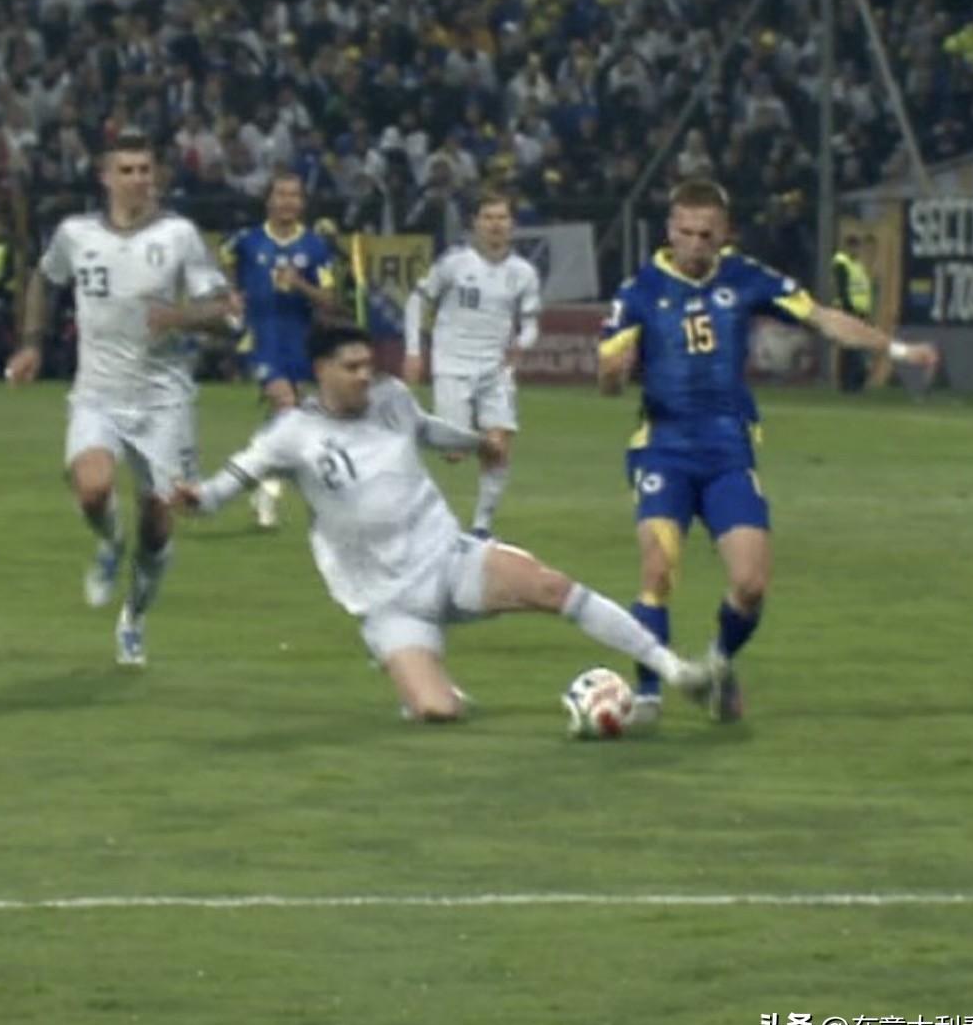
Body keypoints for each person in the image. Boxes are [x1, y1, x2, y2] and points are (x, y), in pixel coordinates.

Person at [175, 326, 708, 720]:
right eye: (351, 367)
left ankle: (676, 670)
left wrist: (478, 444)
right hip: (386, 600)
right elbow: (227, 485)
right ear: (322, 370)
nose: (364, 376)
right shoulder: (290, 435)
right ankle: (431, 686)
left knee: (552, 587)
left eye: (368, 365)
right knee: (437, 713)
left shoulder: (390, 398)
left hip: (448, 558)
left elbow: (427, 429)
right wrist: (195, 499)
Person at [598, 178, 938, 724]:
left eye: (706, 234)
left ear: (724, 234)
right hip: (663, 450)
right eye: (685, 232)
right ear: (670, 230)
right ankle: (649, 697)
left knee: (751, 584)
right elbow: (608, 380)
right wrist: (613, 375)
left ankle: (717, 665)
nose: (695, 244)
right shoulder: (638, 291)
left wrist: (896, 349)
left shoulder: (745, 277)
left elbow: (823, 318)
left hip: (728, 452)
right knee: (657, 570)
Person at [6, 132, 238, 667]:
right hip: (98, 394)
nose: (137, 179)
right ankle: (110, 544)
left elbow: (225, 313)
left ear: (156, 176)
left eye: (144, 170)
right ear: (106, 177)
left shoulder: (179, 235)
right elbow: (43, 279)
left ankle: (133, 616)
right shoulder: (76, 233)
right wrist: (32, 343)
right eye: (127, 170)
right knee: (92, 488)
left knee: (157, 523)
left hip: (164, 400)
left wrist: (179, 316)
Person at [402, 189, 542, 540]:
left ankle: (481, 529)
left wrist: (521, 344)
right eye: (488, 218)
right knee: (454, 453)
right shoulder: (454, 263)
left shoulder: (523, 273)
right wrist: (413, 351)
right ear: (475, 224)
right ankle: (407, 446)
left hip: (496, 369)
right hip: (453, 365)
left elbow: (531, 324)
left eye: (502, 218)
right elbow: (416, 302)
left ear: (512, 224)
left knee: (499, 445)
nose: (496, 225)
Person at [221, 172, 336, 528]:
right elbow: (224, 259)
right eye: (281, 194)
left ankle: (262, 479)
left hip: (298, 339)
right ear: (269, 200)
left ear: (302, 203)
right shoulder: (248, 241)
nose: (287, 201)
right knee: (285, 404)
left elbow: (329, 300)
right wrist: (231, 294)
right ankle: (268, 490)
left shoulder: (315, 247)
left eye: (294, 195)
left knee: (291, 416)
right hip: (260, 338)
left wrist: (300, 284)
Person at [832, 232, 874, 392]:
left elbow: (862, 290)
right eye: (853, 247)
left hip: (860, 311)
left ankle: (855, 383)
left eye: (857, 247)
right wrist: (849, 309)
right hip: (849, 310)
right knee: (849, 348)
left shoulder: (857, 265)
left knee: (856, 347)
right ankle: (847, 383)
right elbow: (842, 288)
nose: (856, 250)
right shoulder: (842, 263)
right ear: (847, 247)